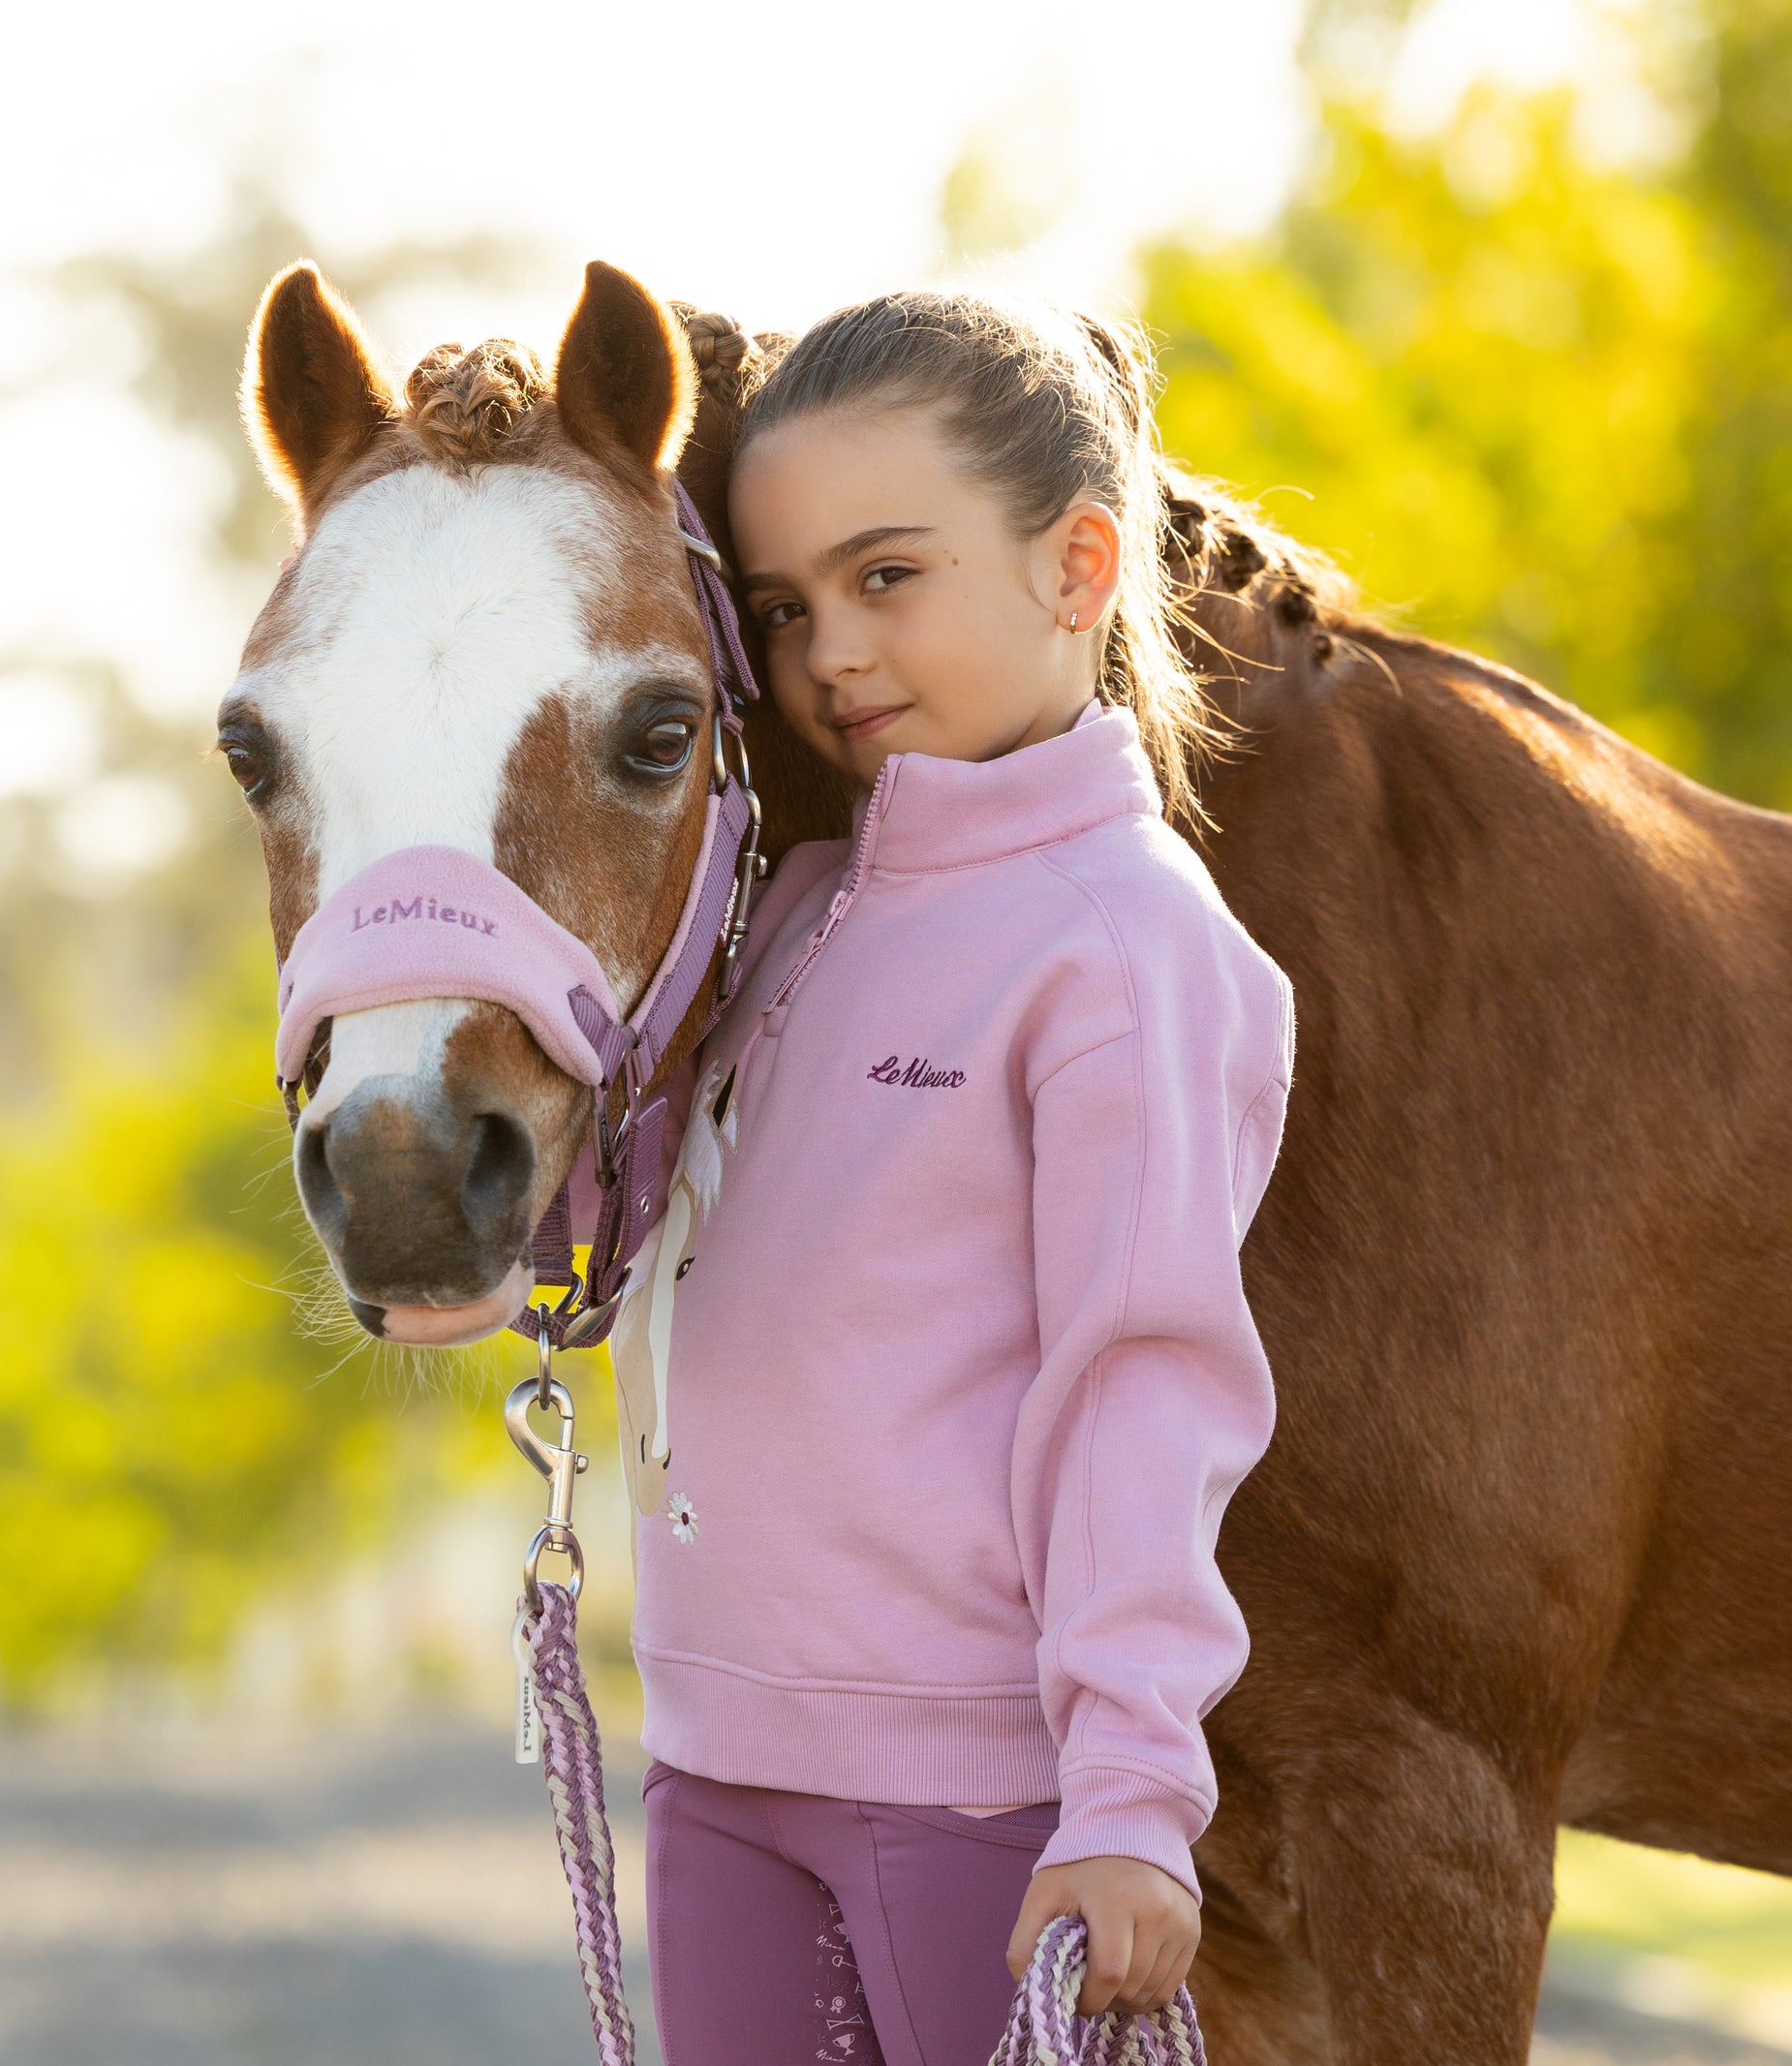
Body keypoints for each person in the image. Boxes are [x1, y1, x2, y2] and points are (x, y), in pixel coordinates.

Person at [630, 290, 1295, 2065]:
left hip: (964, 1793)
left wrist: (1133, 1796)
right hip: (718, 1756)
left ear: (1079, 568)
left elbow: (1144, 1389)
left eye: (886, 577)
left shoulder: (1126, 947)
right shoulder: (786, 921)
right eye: (782, 609)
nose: (829, 651)